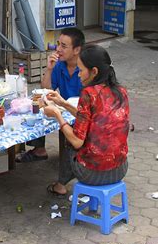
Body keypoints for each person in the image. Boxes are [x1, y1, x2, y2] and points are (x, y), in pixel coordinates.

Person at [43, 45, 129, 195]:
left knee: (69, 139)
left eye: (81, 70)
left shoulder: (88, 93)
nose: (78, 75)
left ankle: (61, 184)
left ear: (94, 72)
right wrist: (63, 103)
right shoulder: (121, 91)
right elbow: (91, 119)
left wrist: (57, 114)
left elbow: (77, 141)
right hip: (120, 169)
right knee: (77, 132)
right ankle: (61, 183)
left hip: (92, 174)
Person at [16, 28, 84, 163]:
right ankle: (39, 149)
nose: (58, 49)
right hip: (65, 107)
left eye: (63, 46)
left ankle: (74, 157)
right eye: (58, 44)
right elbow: (46, 89)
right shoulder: (59, 65)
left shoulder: (85, 67)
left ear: (77, 50)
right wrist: (49, 68)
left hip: (82, 111)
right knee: (37, 104)